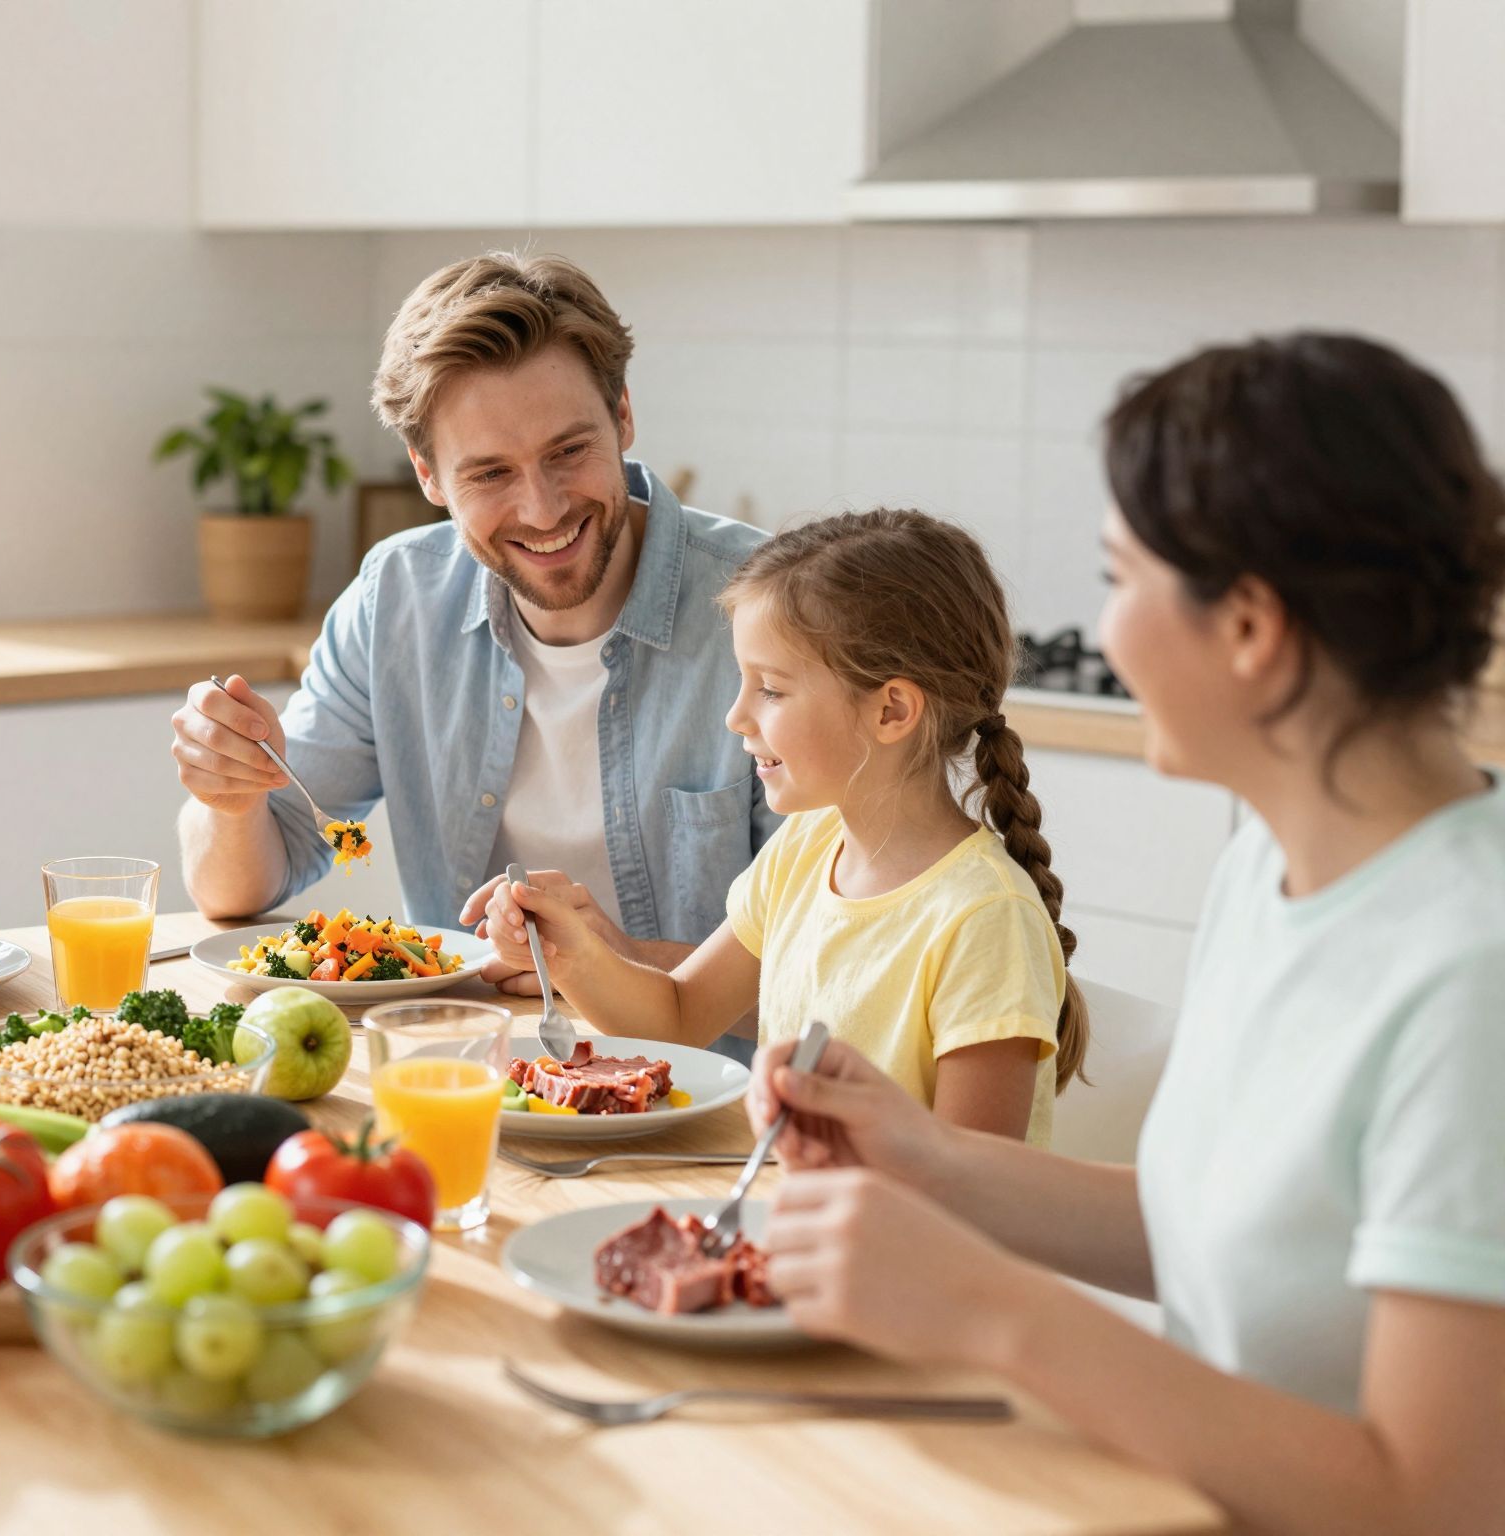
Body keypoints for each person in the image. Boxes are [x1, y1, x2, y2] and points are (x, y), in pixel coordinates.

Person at [752, 335, 1505, 1533]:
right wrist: (917, 1156)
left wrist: (994, 1310)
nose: (1099, 638)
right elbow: (1220, 1229)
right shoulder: (1274, 859)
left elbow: (1431, 1502)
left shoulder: (1472, 978)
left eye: (1118, 579)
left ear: (1249, 628)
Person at [172, 252, 776, 1046]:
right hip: (464, 1079)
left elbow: (856, 962)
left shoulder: (772, 611)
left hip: (721, 1107)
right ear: (427, 474)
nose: (543, 507)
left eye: (569, 451)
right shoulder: (398, 600)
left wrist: (619, 966)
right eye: (490, 472)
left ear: (623, 416)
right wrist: (230, 798)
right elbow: (242, 887)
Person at [486, 509, 1087, 1141]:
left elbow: (973, 1186)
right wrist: (570, 955)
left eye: (770, 690)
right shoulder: (807, 846)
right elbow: (680, 1014)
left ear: (891, 711)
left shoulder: (986, 918)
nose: (736, 716)